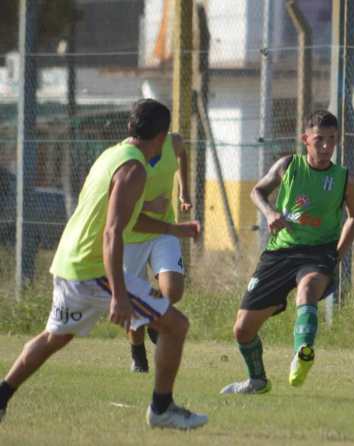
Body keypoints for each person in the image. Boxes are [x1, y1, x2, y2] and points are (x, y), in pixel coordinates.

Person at [0, 99, 208, 429]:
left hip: (69, 263)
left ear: (130, 128)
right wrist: (120, 296)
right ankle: (162, 408)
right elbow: (112, 233)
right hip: (92, 270)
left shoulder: (112, 156)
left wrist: (171, 229)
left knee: (55, 337)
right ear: (161, 136)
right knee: (176, 325)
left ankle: (1, 396)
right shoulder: (135, 169)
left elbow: (123, 218)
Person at [220, 110, 354, 394]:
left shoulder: (345, 179)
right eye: (319, 139)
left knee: (307, 289)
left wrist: (338, 254)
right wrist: (270, 213)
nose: (325, 146)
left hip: (319, 252)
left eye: (331, 140)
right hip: (280, 253)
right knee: (242, 330)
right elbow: (257, 192)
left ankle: (303, 353)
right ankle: (257, 381)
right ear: (305, 140)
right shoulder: (287, 166)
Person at [125, 131, 192, 373]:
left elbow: (182, 153)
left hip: (163, 230)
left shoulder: (172, 142)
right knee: (133, 298)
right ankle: (138, 356)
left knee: (173, 290)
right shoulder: (125, 154)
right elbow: (112, 197)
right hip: (130, 234)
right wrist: (148, 205)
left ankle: (154, 319)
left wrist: (183, 190)